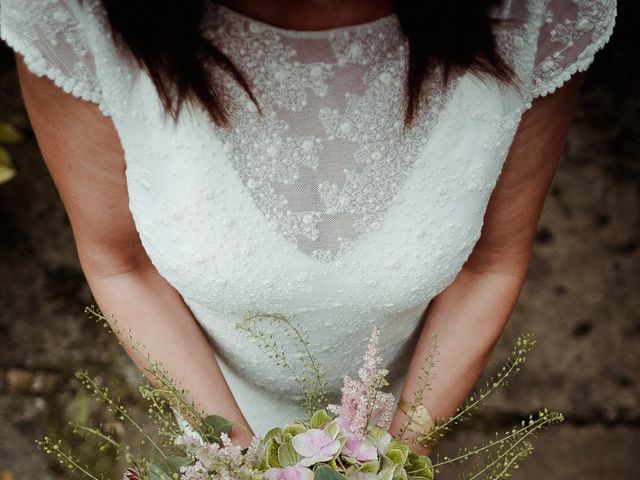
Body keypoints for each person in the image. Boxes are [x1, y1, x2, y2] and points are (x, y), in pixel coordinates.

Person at [0, 0, 616, 454]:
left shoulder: (535, 16)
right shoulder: (74, 21)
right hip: (206, 383)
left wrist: (399, 455)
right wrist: (236, 462)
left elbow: (492, 262)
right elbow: (120, 263)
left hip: (414, 385)